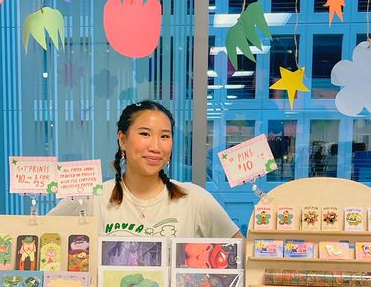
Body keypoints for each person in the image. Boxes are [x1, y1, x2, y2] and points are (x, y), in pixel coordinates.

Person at [50, 100, 241, 239]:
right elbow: (40, 240)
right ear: (122, 139)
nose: (155, 147)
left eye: (165, 136)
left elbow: (241, 255)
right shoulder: (92, 198)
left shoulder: (195, 199)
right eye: (145, 134)